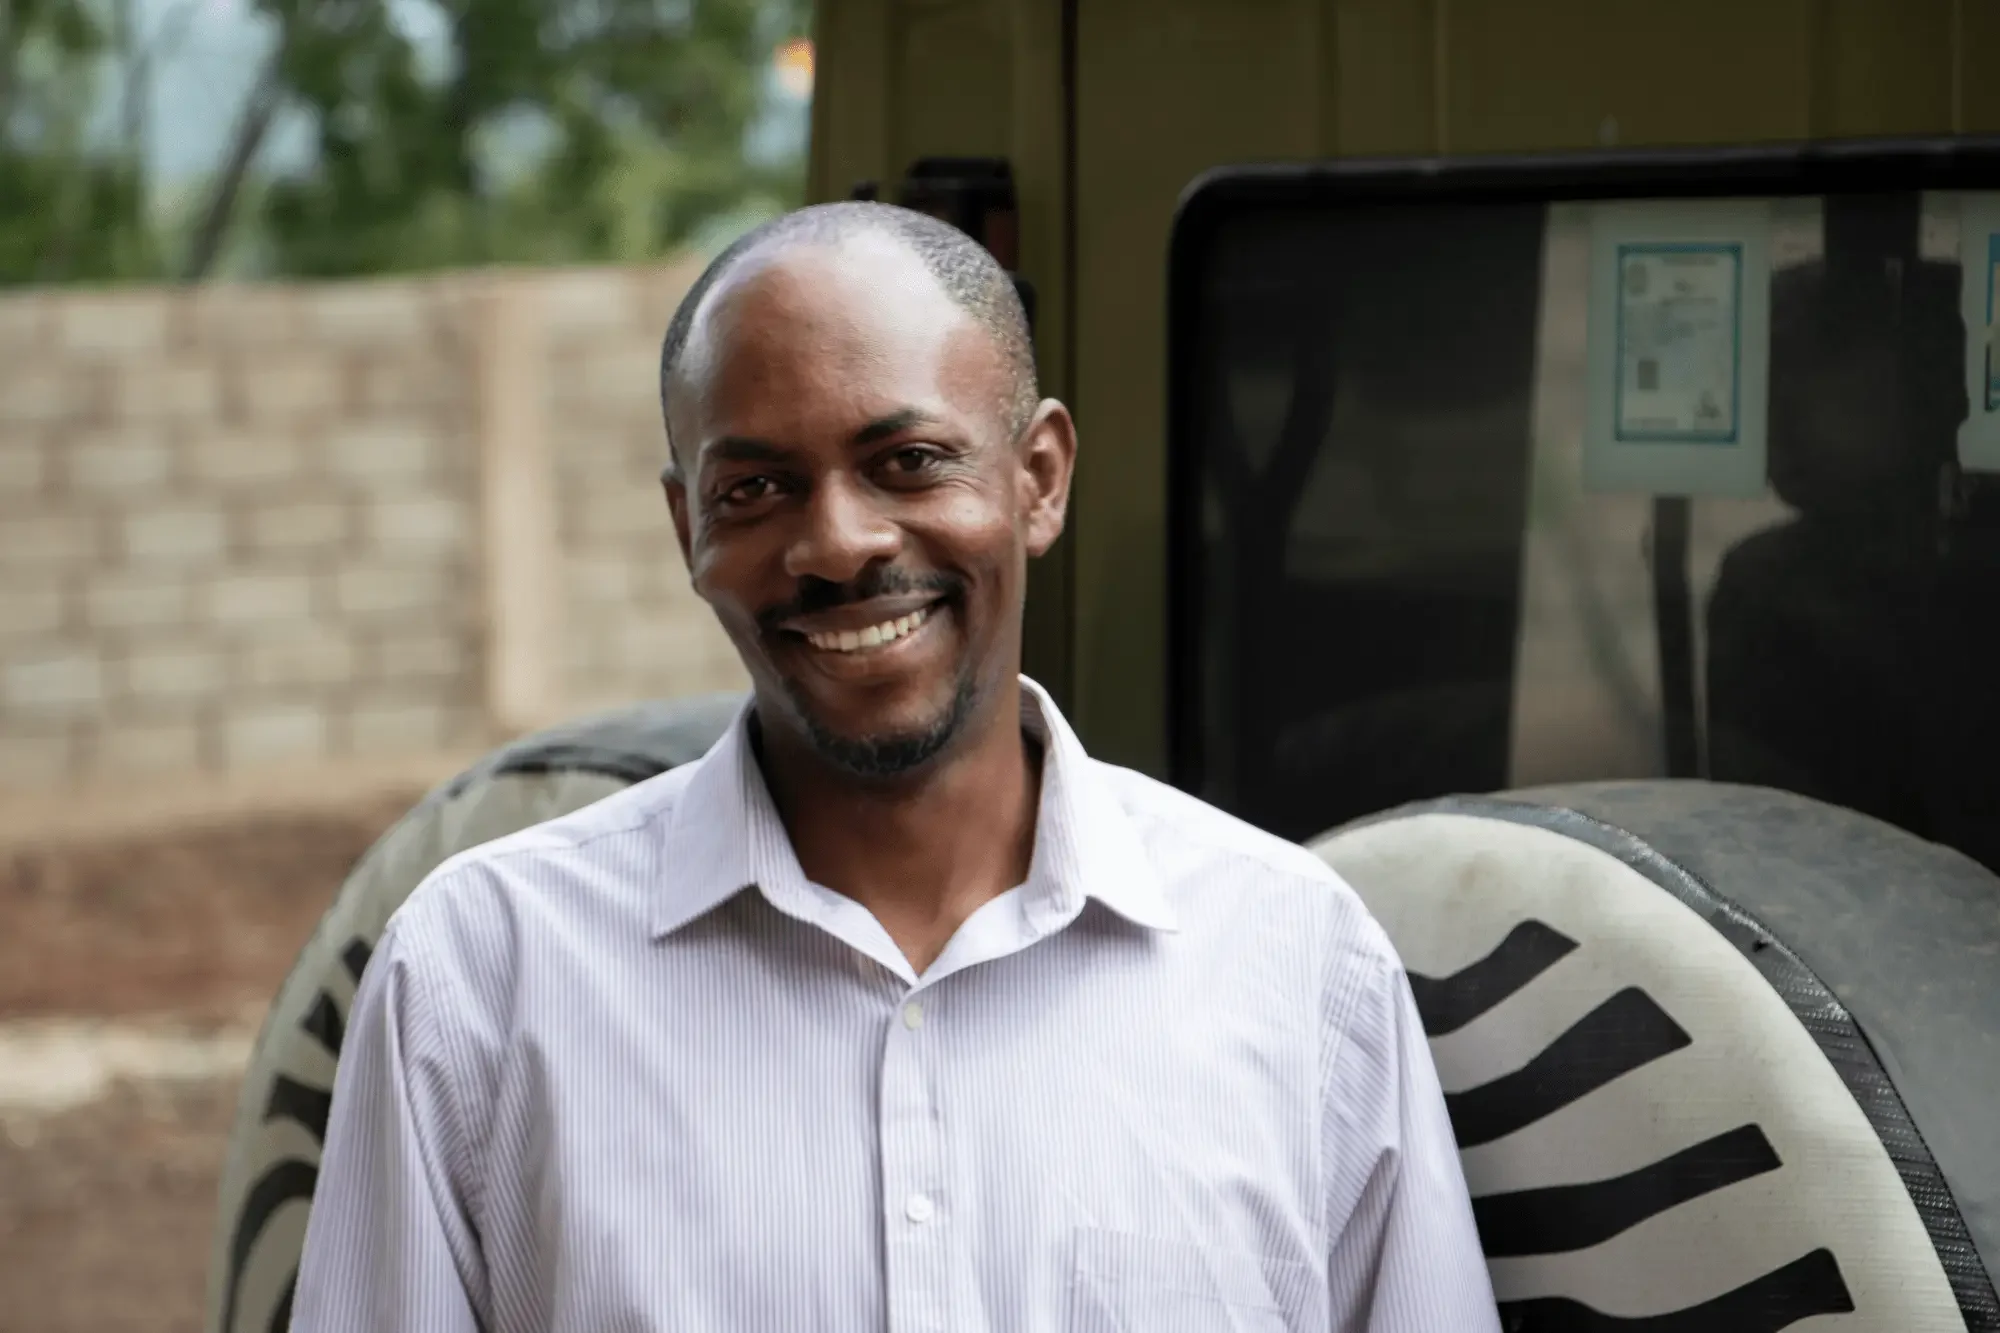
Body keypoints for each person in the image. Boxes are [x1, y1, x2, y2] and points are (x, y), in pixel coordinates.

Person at [290, 201, 1499, 1332]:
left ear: (1038, 476)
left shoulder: (1296, 966)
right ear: (687, 532)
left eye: (908, 460)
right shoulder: (482, 980)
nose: (837, 542)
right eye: (755, 488)